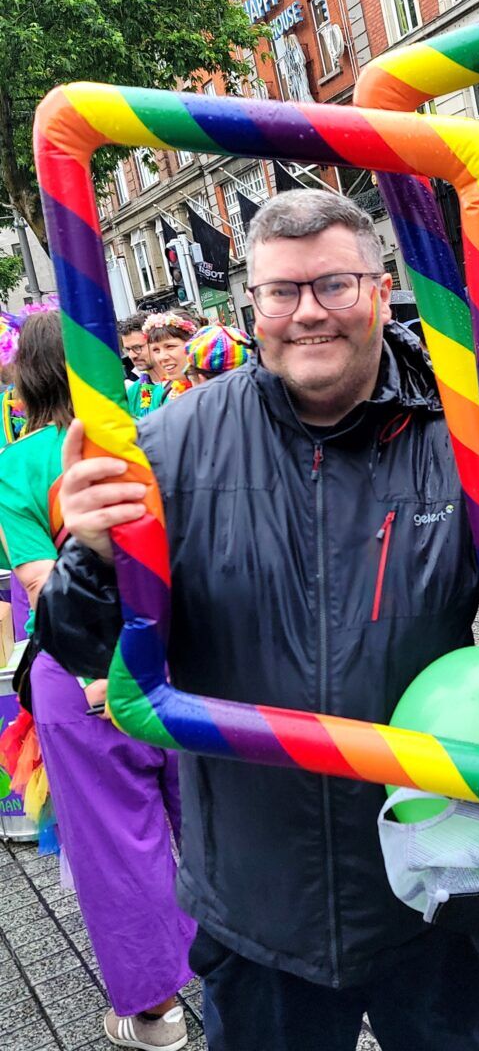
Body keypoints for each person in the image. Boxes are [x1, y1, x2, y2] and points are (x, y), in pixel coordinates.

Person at [36, 191, 479, 1051]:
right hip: (254, 905)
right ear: (253, 309)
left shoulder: (464, 436)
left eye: (335, 285)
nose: (307, 312)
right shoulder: (168, 444)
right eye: (281, 292)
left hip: (429, 885)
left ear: (381, 291)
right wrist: (90, 554)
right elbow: (82, 648)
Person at [0, 311, 194, 1051]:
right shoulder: (155, 429)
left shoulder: (16, 468)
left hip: (84, 682)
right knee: (213, 817)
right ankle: (240, 955)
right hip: (185, 661)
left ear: (29, 377)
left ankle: (157, 1014)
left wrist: (99, 671)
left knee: (119, 847)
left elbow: (48, 585)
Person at [143, 311, 199, 405]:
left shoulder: (219, 387)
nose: (162, 357)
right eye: (156, 350)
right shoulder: (162, 394)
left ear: (193, 345)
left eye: (170, 346)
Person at [120, 314, 166, 418]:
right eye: (128, 349)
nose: (132, 355)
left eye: (137, 347)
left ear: (156, 342)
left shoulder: (180, 383)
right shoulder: (133, 391)